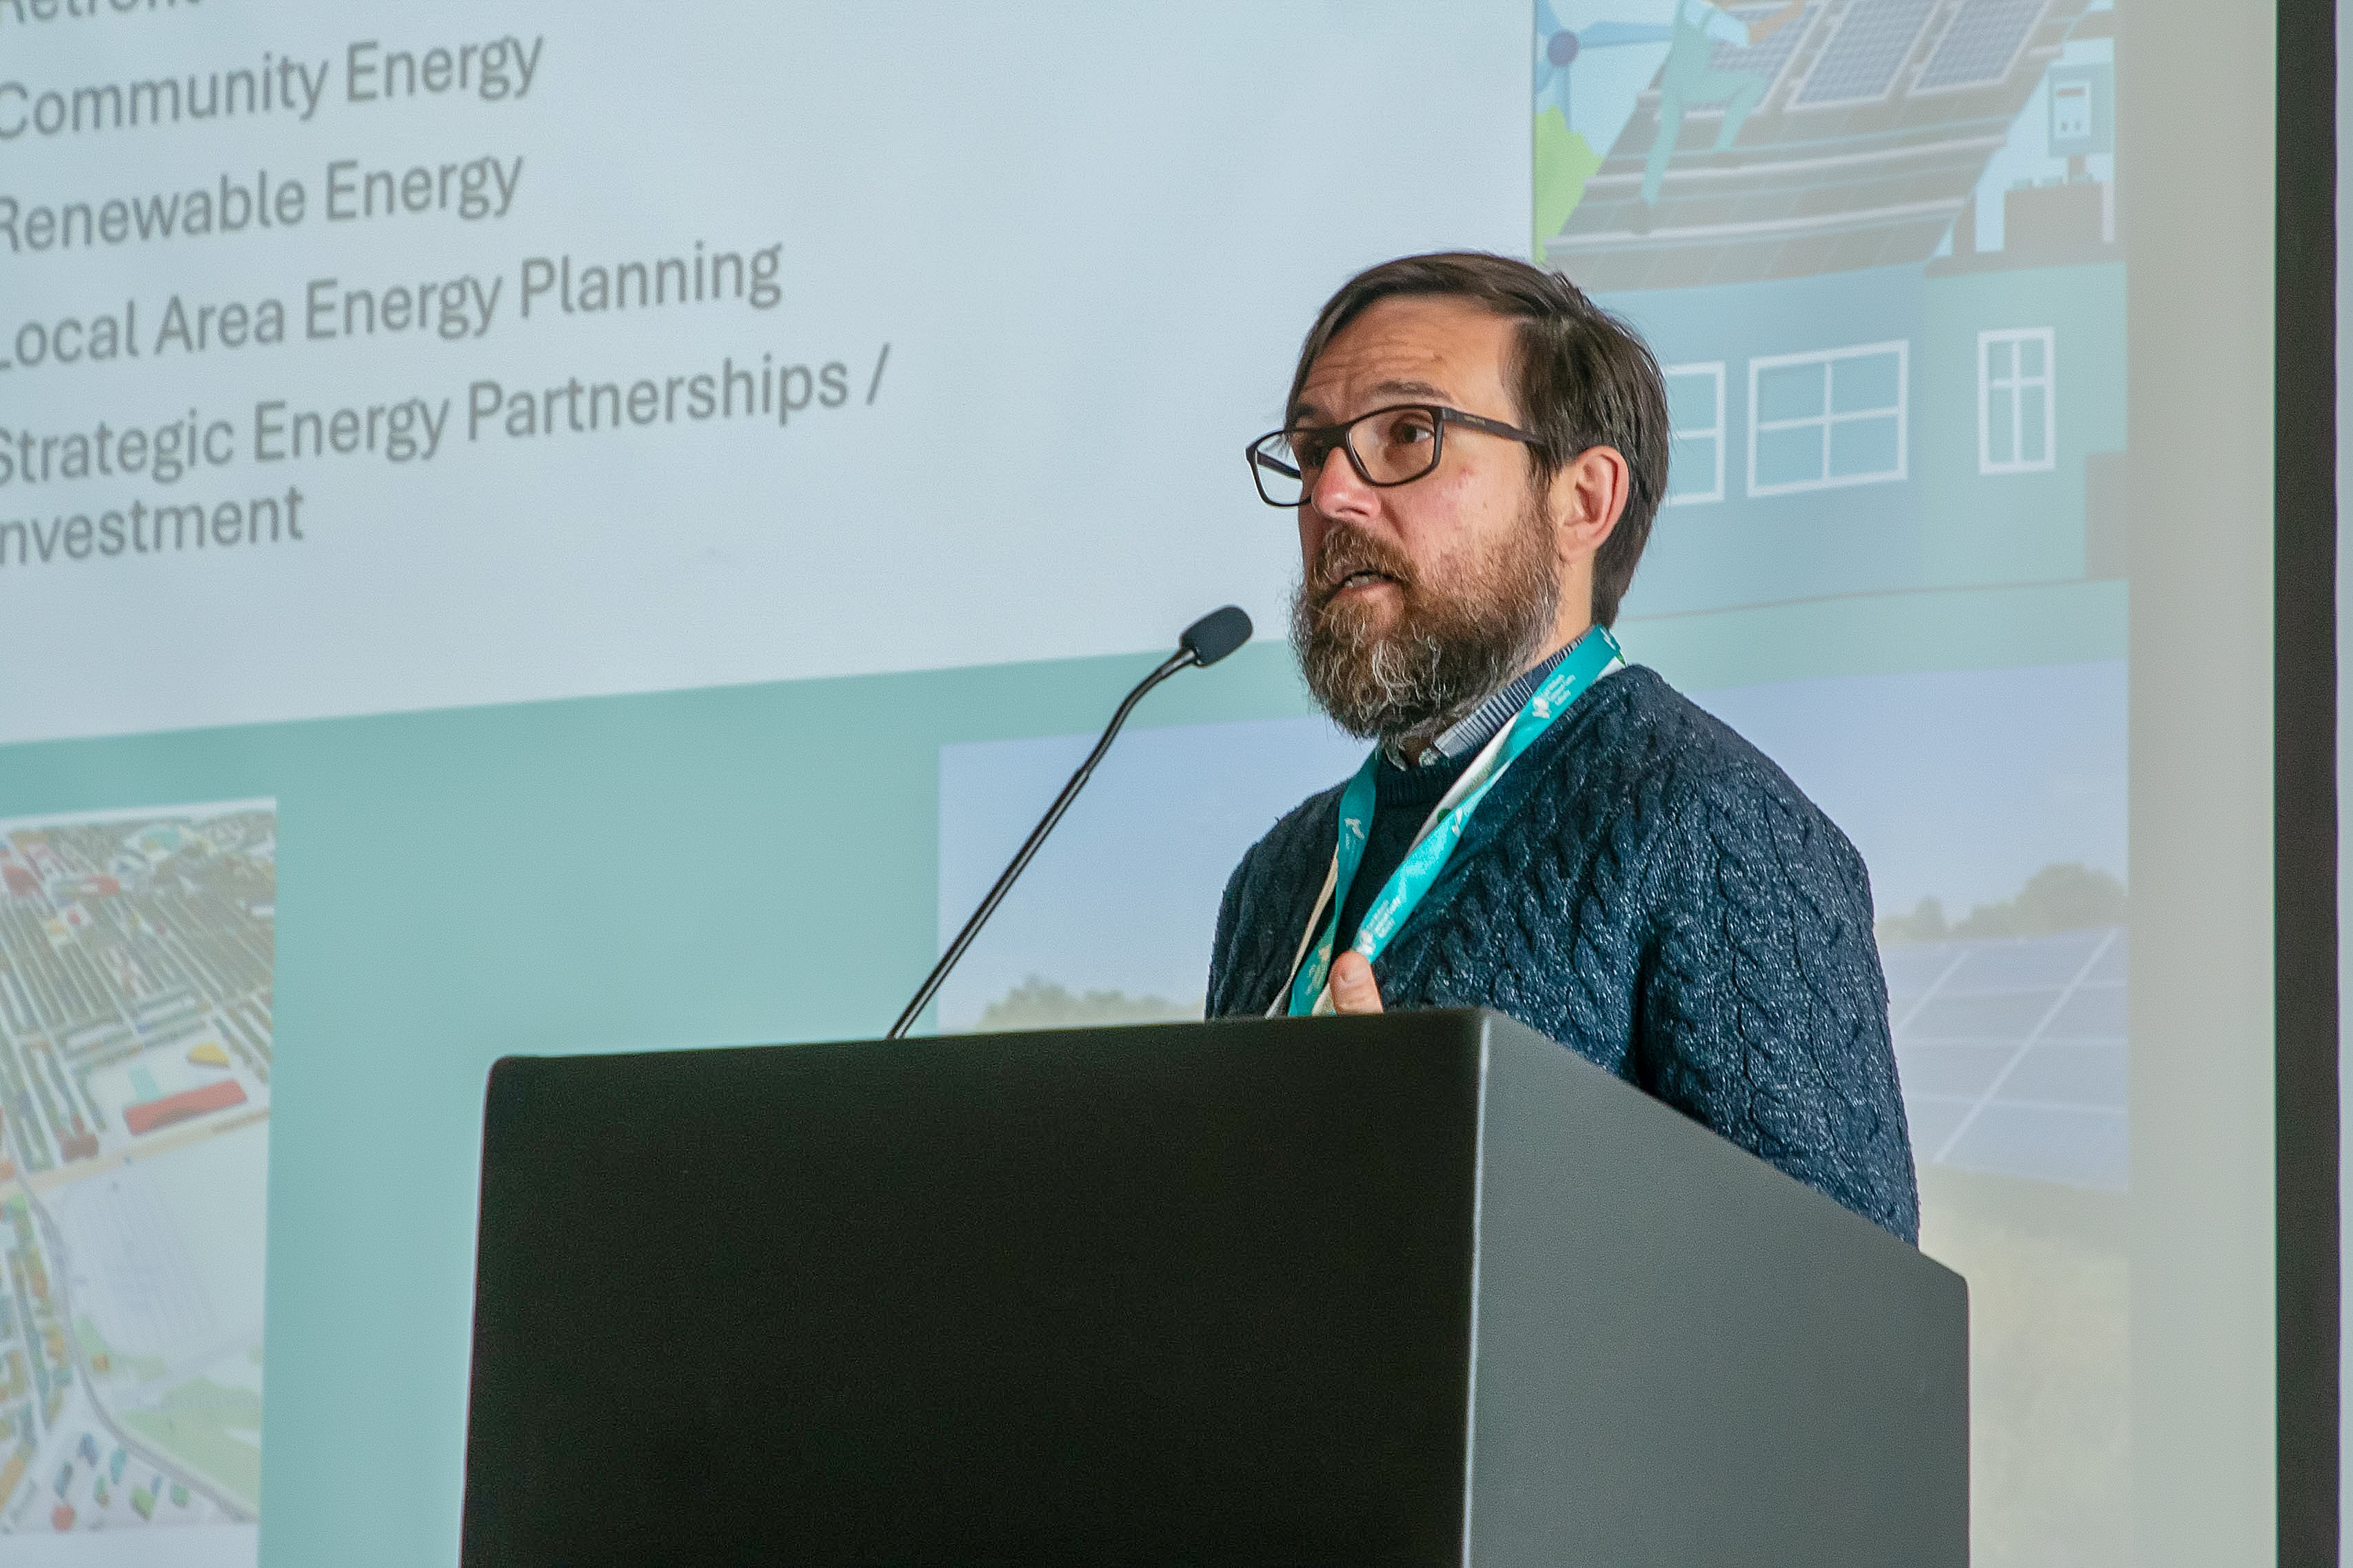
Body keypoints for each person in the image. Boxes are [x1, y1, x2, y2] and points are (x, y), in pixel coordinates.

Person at [1214, 252, 1918, 1242]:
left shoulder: (1716, 827)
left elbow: (1841, 1310)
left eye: (1407, 432)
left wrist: (1433, 1191)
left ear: (1582, 500)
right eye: (1312, 449)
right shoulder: (1278, 877)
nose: (1331, 496)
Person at [1640, 0, 1804, 210]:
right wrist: (1787, 14)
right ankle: (1722, 148)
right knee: (1754, 83)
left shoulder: (1686, 5)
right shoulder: (1710, 16)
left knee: (1665, 138)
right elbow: (1749, 37)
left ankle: (1646, 198)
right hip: (1694, 84)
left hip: (1672, 82)